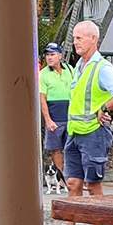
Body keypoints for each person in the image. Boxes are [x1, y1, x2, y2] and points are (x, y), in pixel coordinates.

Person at [44, 20, 113, 225]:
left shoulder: (101, 67)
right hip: (75, 133)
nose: (75, 42)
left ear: (94, 39)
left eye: (79, 38)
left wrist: (104, 108)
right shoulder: (79, 66)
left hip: (93, 134)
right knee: (73, 182)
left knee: (93, 184)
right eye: (74, 38)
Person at [38, 41, 74, 181]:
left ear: (60, 56)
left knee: (72, 148)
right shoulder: (43, 74)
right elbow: (42, 98)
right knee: (56, 149)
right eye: (47, 55)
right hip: (55, 116)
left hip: (71, 115)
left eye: (52, 54)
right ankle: (62, 179)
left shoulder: (70, 69)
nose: (49, 57)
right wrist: (48, 120)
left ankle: (73, 177)